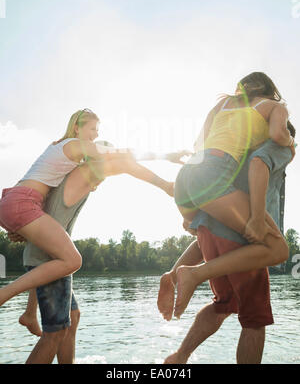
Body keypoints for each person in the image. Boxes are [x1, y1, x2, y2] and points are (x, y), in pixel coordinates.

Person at [7, 143, 187, 364]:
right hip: (50, 260)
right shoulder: (86, 172)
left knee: (72, 317)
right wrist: (165, 180)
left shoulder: (68, 178)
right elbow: (126, 161)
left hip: (50, 259)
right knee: (53, 334)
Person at [0, 109, 175, 308]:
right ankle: (5, 293)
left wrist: (17, 225)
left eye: (98, 130)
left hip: (14, 200)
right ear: (76, 128)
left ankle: (29, 312)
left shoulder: (58, 149)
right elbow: (122, 157)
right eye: (93, 128)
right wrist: (168, 158)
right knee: (72, 261)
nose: (96, 134)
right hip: (23, 201)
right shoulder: (74, 146)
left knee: (58, 261)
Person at [159, 133, 295, 364]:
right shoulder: (273, 148)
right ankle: (188, 274)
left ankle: (179, 356)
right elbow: (259, 164)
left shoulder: (233, 153)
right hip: (245, 238)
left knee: (223, 304)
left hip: (210, 227)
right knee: (255, 318)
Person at [171, 72, 293, 318]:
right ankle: (193, 274)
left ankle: (171, 278)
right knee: (278, 250)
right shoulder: (275, 106)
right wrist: (290, 141)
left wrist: (193, 207)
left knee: (201, 231)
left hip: (186, 178)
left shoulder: (223, 104)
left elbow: (198, 144)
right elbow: (278, 135)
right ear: (271, 91)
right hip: (214, 173)